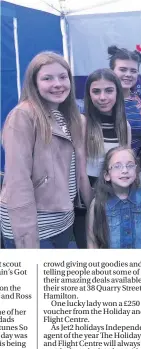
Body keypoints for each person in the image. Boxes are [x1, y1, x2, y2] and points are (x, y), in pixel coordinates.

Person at [0, 52, 92, 248]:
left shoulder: (69, 117)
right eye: (47, 78)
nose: (57, 84)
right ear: (34, 83)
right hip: (34, 229)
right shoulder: (23, 116)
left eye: (62, 77)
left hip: (62, 223)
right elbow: (18, 180)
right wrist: (26, 236)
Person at [74, 68, 132, 248]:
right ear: (88, 94)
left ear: (117, 92)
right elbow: (81, 170)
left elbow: (126, 169)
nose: (102, 97)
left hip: (115, 200)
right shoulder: (83, 122)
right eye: (96, 91)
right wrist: (94, 206)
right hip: (87, 202)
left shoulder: (125, 126)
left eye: (108, 90)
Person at [86, 146, 141, 249]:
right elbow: (92, 240)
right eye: (117, 166)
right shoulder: (98, 203)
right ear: (107, 175)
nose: (125, 170)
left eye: (130, 165)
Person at [108, 45, 141, 167]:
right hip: (110, 171)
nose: (128, 74)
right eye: (122, 69)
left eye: (133, 71)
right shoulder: (103, 101)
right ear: (112, 72)